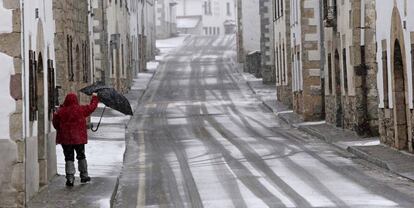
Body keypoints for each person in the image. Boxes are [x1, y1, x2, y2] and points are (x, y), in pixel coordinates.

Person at [52, 92, 99, 186]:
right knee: (81, 155)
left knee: (68, 157)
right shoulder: (80, 109)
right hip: (79, 139)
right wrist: (95, 98)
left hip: (66, 139)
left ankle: (70, 177)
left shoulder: (61, 111)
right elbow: (92, 107)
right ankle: (84, 175)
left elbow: (55, 124)